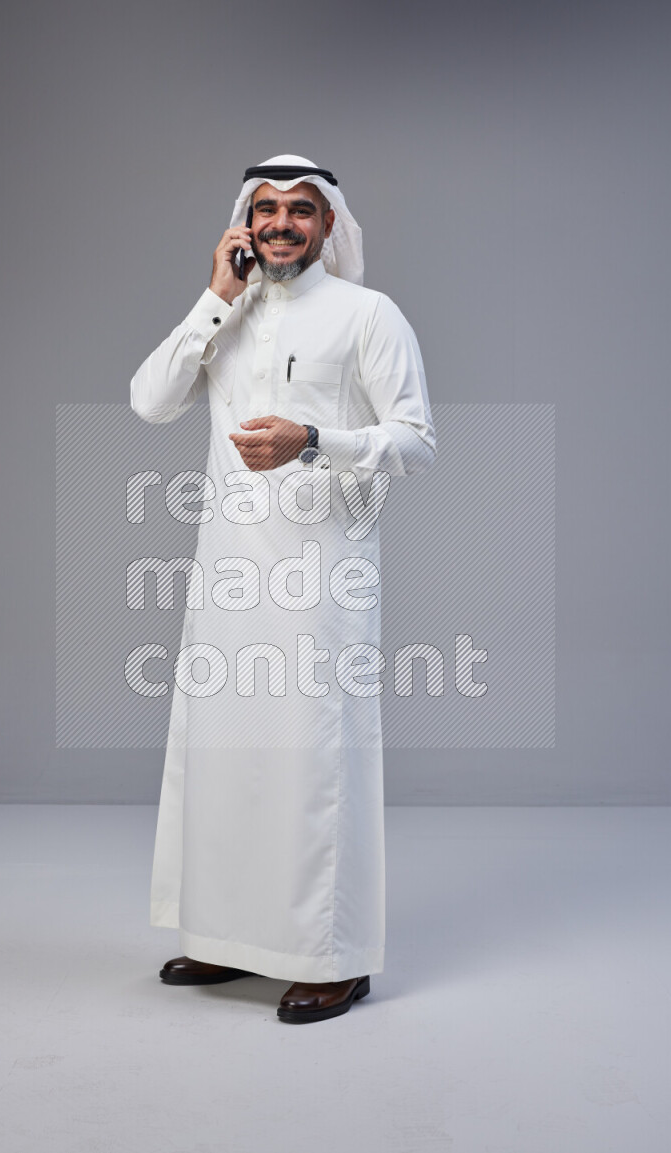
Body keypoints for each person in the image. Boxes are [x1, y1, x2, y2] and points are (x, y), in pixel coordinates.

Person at [129, 154, 436, 1024]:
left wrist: (313, 439)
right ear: (244, 221)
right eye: (265, 209)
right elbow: (150, 400)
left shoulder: (368, 314)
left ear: (329, 223)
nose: (280, 224)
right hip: (228, 575)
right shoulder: (227, 312)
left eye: (301, 210)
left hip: (320, 577)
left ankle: (333, 959)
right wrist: (214, 298)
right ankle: (229, 939)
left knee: (312, 766)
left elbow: (417, 440)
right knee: (226, 757)